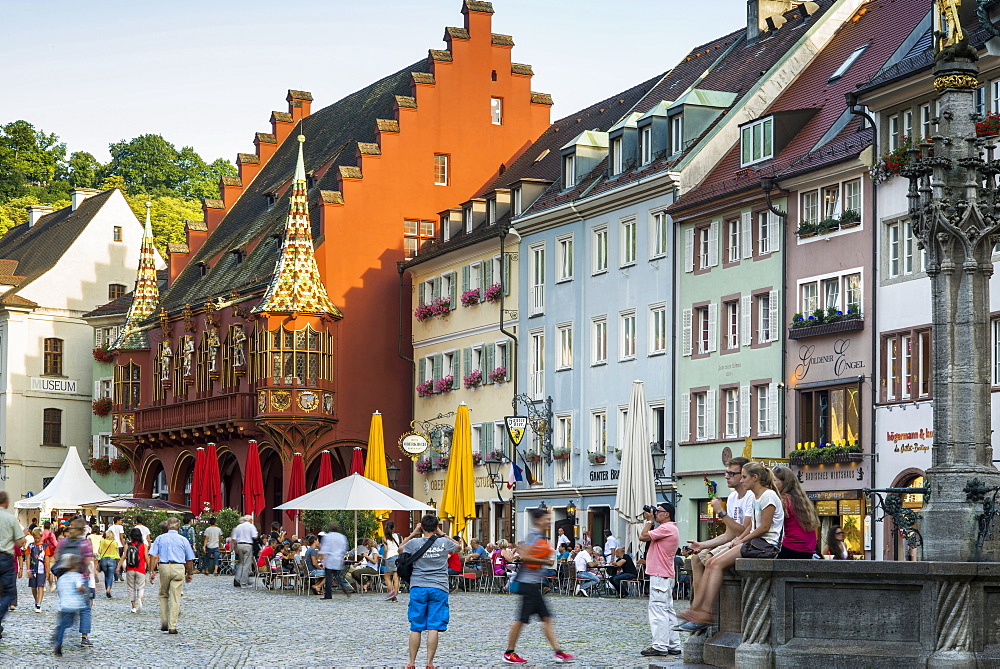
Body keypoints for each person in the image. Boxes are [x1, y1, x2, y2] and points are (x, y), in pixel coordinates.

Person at [677, 462, 784, 632]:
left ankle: (705, 612)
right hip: (756, 542)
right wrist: (742, 539)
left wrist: (742, 540)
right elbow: (752, 527)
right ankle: (697, 608)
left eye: (744, 477)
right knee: (711, 562)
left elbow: (764, 528)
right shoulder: (758, 496)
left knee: (716, 563)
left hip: (766, 545)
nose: (742, 480)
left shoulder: (768, 496)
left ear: (755, 478)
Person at [502, 507, 574, 664]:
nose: (549, 522)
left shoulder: (541, 536)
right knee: (521, 620)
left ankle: (558, 652)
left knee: (546, 618)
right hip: (528, 584)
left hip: (534, 584)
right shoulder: (534, 535)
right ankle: (509, 652)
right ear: (538, 520)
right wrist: (545, 561)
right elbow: (526, 556)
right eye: (547, 519)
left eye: (550, 519)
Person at [686, 456, 753, 595]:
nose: (727, 477)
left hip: (747, 542)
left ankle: (709, 605)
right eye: (726, 473)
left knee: (710, 558)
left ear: (743, 476)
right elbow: (729, 534)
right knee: (696, 559)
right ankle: (698, 603)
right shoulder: (733, 497)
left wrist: (721, 512)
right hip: (735, 541)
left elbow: (742, 532)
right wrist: (702, 544)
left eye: (732, 473)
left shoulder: (751, 497)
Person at [400, 515, 457, 669]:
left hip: (418, 586)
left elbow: (400, 549)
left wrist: (413, 533)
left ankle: (411, 662)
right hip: (439, 587)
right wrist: (442, 533)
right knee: (433, 626)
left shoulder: (414, 543)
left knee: (416, 626)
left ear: (422, 527)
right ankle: (429, 663)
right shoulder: (444, 542)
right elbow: (459, 546)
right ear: (436, 526)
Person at [637, 501, 682, 657]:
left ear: (667, 514)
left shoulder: (666, 528)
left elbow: (642, 536)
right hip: (665, 574)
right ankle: (673, 644)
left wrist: (649, 521)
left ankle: (660, 645)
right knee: (668, 610)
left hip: (659, 574)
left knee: (657, 609)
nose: (656, 513)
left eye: (658, 511)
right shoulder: (671, 528)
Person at [148, 517, 196, 634]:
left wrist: (152, 571)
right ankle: (172, 626)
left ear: (167, 526)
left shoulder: (160, 538)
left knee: (163, 594)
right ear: (178, 526)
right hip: (179, 567)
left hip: (164, 566)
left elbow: (153, 556)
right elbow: (189, 559)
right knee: (176, 597)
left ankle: (164, 621)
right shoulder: (183, 540)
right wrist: (189, 573)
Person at [53, 519, 94, 648]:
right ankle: (84, 637)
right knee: (85, 608)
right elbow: (87, 562)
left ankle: (60, 633)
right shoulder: (85, 543)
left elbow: (56, 558)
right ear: (83, 530)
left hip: (64, 578)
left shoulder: (63, 542)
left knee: (65, 606)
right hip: (80, 577)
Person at [773, 466, 820, 559]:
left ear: (784, 482)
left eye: (774, 480)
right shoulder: (801, 499)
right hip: (808, 550)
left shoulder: (783, 499)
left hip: (791, 547)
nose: (771, 484)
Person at [52, 554, 88, 657]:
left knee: (63, 625)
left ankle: (58, 641)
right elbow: (79, 587)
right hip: (73, 604)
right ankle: (62, 636)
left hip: (63, 605)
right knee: (71, 624)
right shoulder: (77, 576)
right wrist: (84, 590)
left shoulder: (62, 577)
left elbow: (59, 590)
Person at [319, 522, 353, 597]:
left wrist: (324, 559)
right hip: (338, 559)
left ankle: (328, 595)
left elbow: (325, 548)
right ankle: (345, 587)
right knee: (338, 576)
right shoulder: (342, 537)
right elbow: (345, 548)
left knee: (328, 577)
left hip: (329, 559)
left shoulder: (327, 536)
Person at [119, 527, 147, 613]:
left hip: (130, 568)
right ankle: (139, 598)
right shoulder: (143, 545)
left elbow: (124, 556)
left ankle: (133, 607)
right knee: (140, 586)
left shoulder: (128, 545)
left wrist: (118, 567)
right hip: (140, 568)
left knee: (131, 588)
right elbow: (146, 557)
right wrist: (152, 569)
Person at [231, 515, 258, 587]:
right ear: (250, 520)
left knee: (241, 563)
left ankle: (237, 579)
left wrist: (235, 547)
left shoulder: (239, 526)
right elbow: (255, 536)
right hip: (248, 545)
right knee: (246, 564)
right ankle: (244, 582)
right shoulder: (251, 526)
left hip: (239, 545)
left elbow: (234, 538)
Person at [27, 527, 48, 612]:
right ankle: (36, 600)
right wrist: (28, 569)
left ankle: (39, 604)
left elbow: (47, 559)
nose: (36, 539)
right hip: (33, 568)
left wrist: (48, 570)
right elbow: (28, 558)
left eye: (38, 538)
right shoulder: (30, 546)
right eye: (35, 538)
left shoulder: (45, 546)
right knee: (33, 587)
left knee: (41, 586)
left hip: (41, 569)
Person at [382, 520, 402, 602]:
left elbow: (386, 549)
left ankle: (391, 592)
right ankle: (395, 595)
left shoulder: (384, 537)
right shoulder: (399, 536)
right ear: (394, 528)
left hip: (390, 557)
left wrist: (384, 557)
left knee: (387, 576)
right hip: (398, 557)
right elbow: (401, 547)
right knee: (396, 577)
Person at [96, 530, 120, 598]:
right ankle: (108, 589)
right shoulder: (115, 542)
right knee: (110, 576)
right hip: (112, 560)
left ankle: (107, 589)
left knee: (106, 576)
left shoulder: (102, 541)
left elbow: (100, 551)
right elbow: (117, 553)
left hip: (103, 560)